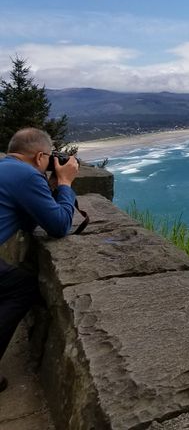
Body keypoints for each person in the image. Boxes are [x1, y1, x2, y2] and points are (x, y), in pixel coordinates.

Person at [0, 128, 79, 393]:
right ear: (40, 157)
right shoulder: (26, 175)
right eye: (48, 160)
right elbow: (58, 225)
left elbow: (27, 221)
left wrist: (49, 189)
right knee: (22, 287)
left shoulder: (6, 168)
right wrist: (66, 185)